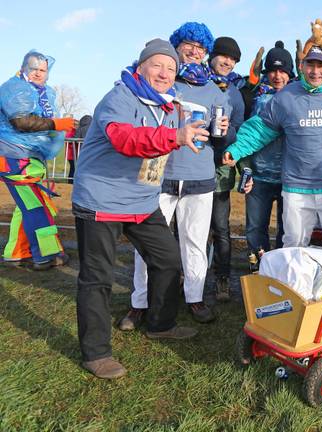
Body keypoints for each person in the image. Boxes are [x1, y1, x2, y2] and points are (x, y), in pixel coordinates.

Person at [72, 38, 203, 378]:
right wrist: (174, 138)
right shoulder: (120, 97)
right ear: (141, 66)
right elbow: (124, 139)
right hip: (100, 201)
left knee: (169, 261)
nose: (164, 73)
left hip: (141, 200)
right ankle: (96, 353)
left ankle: (160, 324)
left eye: (171, 68)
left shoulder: (167, 106)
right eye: (157, 65)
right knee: (96, 279)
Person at [121, 22, 231, 330]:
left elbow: (222, 134)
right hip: (159, 175)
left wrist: (225, 132)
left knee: (195, 243)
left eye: (201, 48)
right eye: (189, 45)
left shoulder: (215, 89)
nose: (195, 52)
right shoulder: (163, 80)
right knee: (147, 245)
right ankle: (139, 302)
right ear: (177, 46)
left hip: (200, 176)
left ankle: (194, 297)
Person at [223, 32, 322, 248]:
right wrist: (236, 150)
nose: (315, 71)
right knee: (294, 246)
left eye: (320, 65)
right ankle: (290, 282)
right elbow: (260, 129)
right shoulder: (285, 97)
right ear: (302, 66)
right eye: (310, 65)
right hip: (296, 189)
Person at [0, 50, 70, 270]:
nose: (39, 73)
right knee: (36, 207)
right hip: (15, 159)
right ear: (24, 69)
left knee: (26, 207)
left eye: (43, 70)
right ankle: (46, 256)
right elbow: (21, 122)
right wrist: (56, 125)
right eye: (34, 69)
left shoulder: (36, 91)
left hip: (25, 158)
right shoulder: (15, 88)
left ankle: (16, 252)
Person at [243, 41, 296, 267]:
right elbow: (244, 134)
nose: (277, 76)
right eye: (272, 71)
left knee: (287, 230)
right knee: (256, 229)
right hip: (259, 178)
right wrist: (246, 169)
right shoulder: (257, 98)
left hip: (289, 178)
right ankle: (258, 268)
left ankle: (282, 271)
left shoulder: (298, 98)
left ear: (290, 73)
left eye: (282, 71)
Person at [208, 36, 246, 301]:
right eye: (225, 57)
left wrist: (226, 133)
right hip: (192, 165)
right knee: (186, 227)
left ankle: (222, 278)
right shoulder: (195, 81)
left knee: (221, 227)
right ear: (213, 55)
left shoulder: (234, 91)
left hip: (221, 168)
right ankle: (183, 275)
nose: (228, 62)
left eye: (233, 60)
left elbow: (240, 126)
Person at [66, 114, 92, 183]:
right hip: (92, 152)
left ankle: (74, 181)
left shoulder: (80, 129)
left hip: (81, 152)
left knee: (77, 168)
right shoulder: (93, 129)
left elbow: (75, 139)